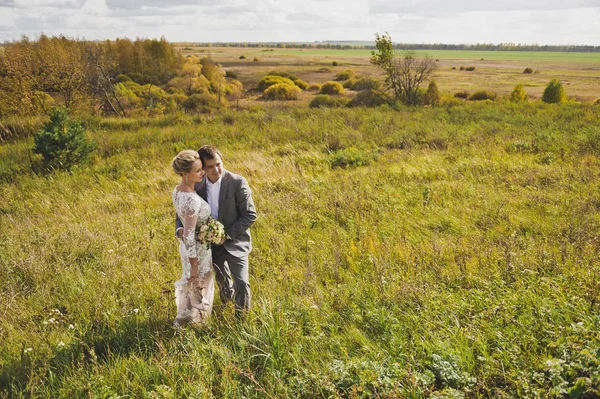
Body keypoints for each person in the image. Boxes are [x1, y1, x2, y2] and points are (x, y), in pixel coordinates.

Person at [176, 145, 257, 314]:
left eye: (219, 164)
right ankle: (225, 309)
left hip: (236, 241)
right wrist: (179, 230)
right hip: (209, 246)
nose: (216, 170)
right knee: (223, 282)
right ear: (203, 168)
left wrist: (226, 235)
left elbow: (250, 214)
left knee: (241, 281)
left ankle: (241, 318)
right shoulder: (196, 184)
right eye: (210, 167)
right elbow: (183, 211)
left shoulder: (237, 182)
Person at [171, 150, 215, 327]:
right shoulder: (192, 200)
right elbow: (189, 235)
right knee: (198, 286)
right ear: (185, 174)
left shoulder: (177, 190)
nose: (202, 173)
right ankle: (194, 323)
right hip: (196, 252)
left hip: (188, 249)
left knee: (192, 286)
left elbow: (183, 225)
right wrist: (194, 264)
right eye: (197, 171)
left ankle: (192, 320)